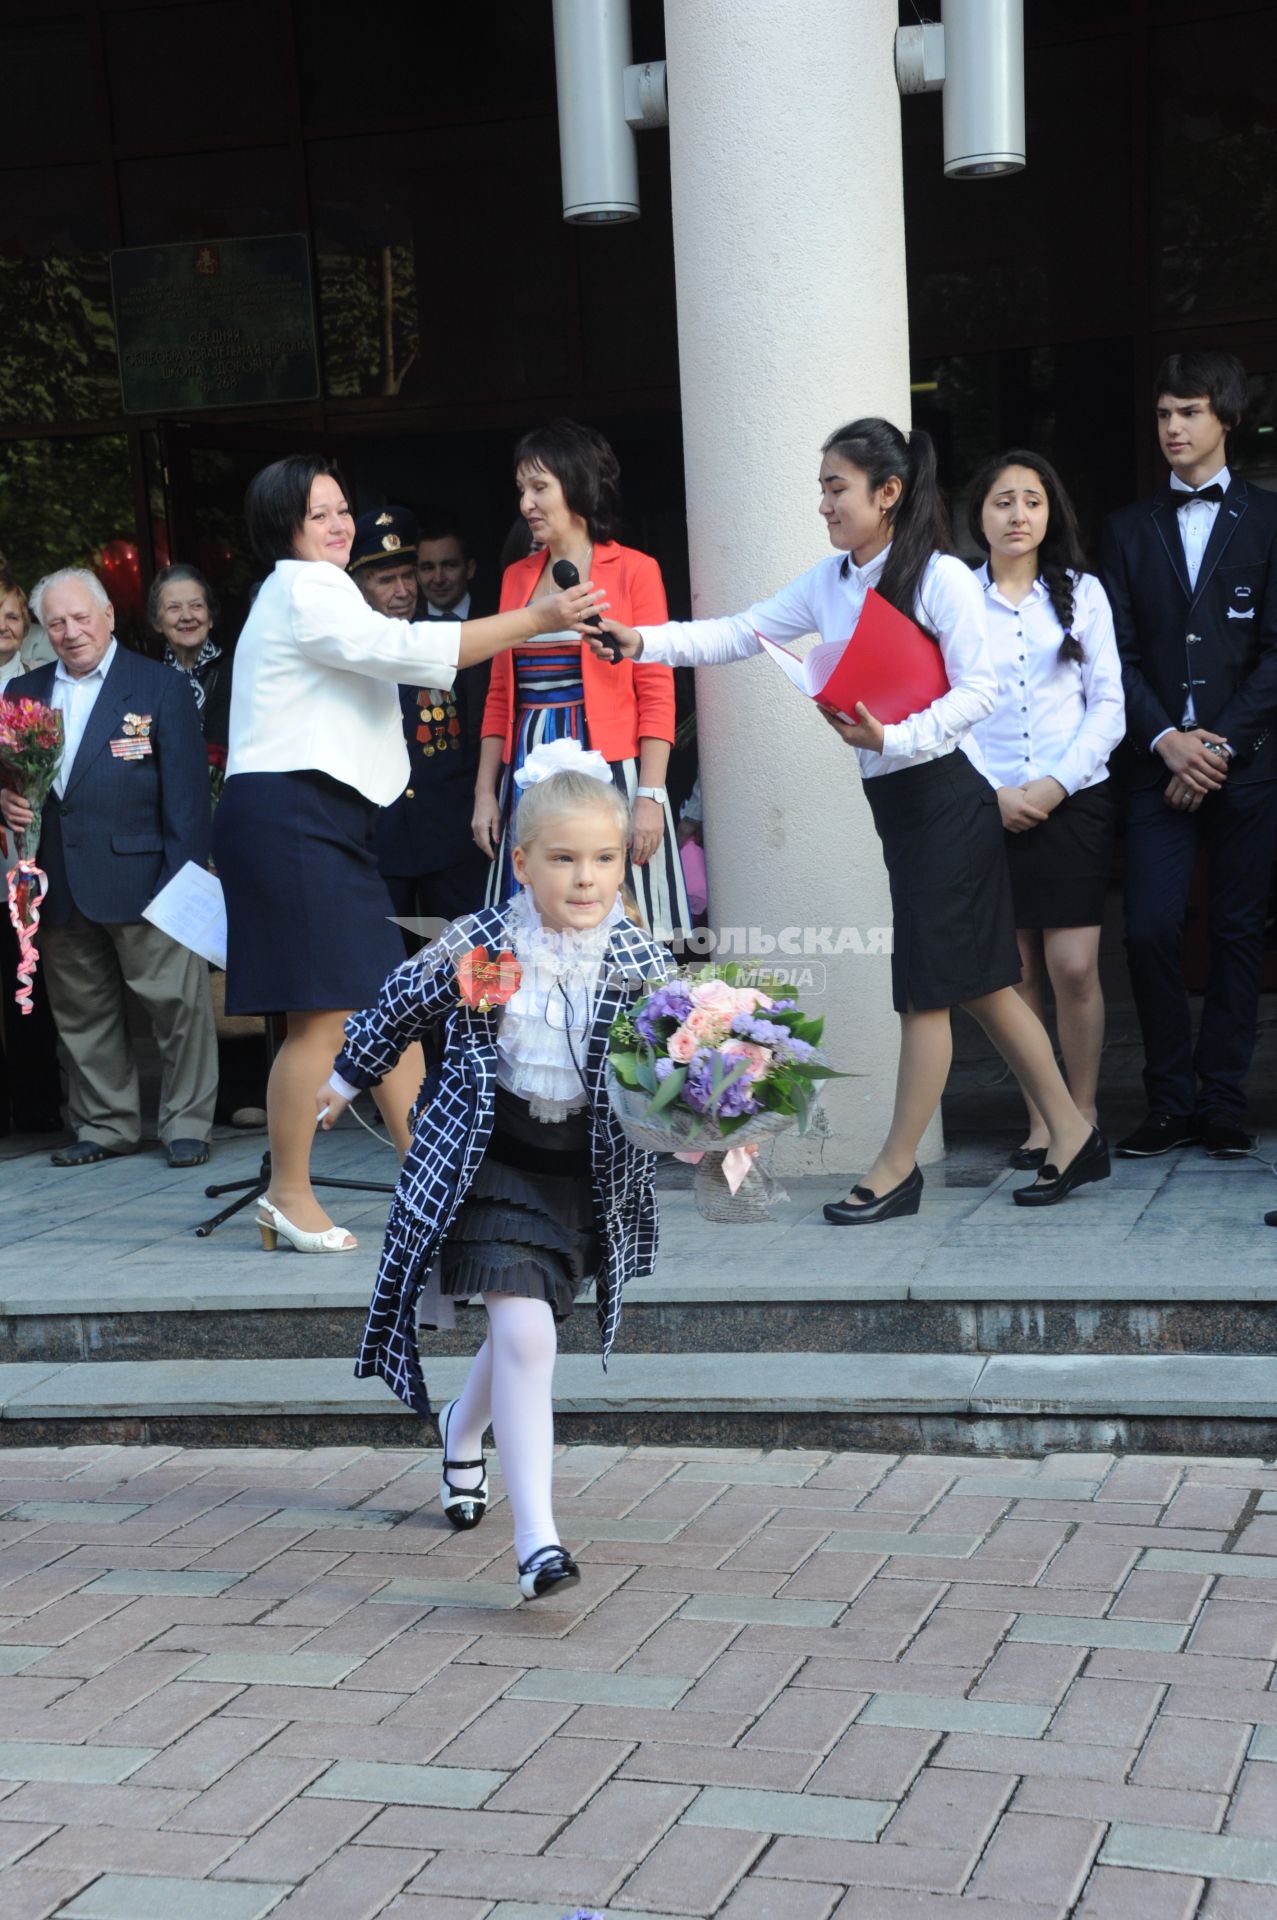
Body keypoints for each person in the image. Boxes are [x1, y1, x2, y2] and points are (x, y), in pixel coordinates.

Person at [589, 416, 1108, 1215]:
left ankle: (897, 1166)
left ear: (887, 492)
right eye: (823, 488)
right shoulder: (831, 581)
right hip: (900, 808)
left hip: (945, 802)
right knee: (984, 985)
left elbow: (981, 690)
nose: (825, 504)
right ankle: (1074, 1135)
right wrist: (639, 640)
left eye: (837, 488)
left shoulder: (939, 577)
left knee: (927, 991)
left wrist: (890, 735)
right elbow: (740, 631)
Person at [211, 453, 605, 1255]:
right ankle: (288, 1194)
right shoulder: (303, 586)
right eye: (319, 512)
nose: (338, 523)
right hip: (294, 815)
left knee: (384, 1002)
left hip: (315, 816)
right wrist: (535, 619)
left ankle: (435, 1175)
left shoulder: (304, 592)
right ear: (284, 526)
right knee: (327, 1017)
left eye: (340, 508)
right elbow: (410, 653)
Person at [319, 743, 670, 1600]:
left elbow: (679, 1052)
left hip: (580, 1174)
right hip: (489, 1161)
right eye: (562, 859)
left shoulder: (638, 957)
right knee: (523, 1333)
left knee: (527, 1329)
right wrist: (341, 1076)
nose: (585, 880)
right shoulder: (486, 944)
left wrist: (721, 1116)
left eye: (602, 860)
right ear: (520, 862)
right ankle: (538, 1544)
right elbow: (401, 998)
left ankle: (459, 1431)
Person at [1100, 350, 1277, 1159]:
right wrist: (1169, 741)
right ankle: (1167, 1100)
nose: (1172, 427)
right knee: (1147, 929)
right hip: (1154, 764)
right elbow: (1115, 654)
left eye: (1189, 412)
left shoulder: (1271, 520)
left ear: (1226, 418)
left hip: (1248, 766)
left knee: (1238, 934)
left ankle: (1222, 1102)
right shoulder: (1126, 528)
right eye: (1163, 413)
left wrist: (1219, 745)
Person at [0, 568, 218, 1167]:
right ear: (44, 631)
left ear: (109, 616)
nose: (71, 632)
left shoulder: (155, 687)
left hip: (147, 879)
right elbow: (14, 781)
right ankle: (105, 1124)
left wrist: (182, 881)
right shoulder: (24, 694)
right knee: (82, 1014)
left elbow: (188, 798)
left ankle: (187, 1124)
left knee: (178, 1009)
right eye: (57, 623)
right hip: (58, 880)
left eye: (81, 617)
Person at [966, 451, 1125, 1168]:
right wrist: (990, 795)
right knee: (1016, 974)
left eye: (1031, 500)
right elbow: (945, 713)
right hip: (988, 805)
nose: (1017, 514)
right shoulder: (955, 598)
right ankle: (1042, 1114)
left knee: (1073, 967)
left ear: (1049, 513)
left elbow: (1109, 707)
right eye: (1003, 501)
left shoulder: (1083, 593)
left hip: (1073, 801)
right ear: (980, 514)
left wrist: (1056, 784)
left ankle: (1082, 1106)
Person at [473, 418, 690, 941]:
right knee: (530, 932)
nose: (526, 502)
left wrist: (651, 797)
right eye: (522, 489)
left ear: (577, 487)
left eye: (539, 487)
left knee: (622, 929)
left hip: (608, 763)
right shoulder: (515, 577)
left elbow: (657, 689)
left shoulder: (634, 569)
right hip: (527, 765)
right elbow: (500, 694)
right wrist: (485, 791)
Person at [353, 506, 491, 946]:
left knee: (476, 964)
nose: (402, 591)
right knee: (387, 971)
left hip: (451, 833)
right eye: (385, 580)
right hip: (379, 839)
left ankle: (487, 1019)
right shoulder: (347, 654)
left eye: (406, 576)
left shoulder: (448, 638)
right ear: (360, 587)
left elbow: (475, 732)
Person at [0, 565, 62, 1135]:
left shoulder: (41, 686)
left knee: (29, 974)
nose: (3, 626)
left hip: (25, 861)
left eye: (11, 617)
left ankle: (41, 1104)